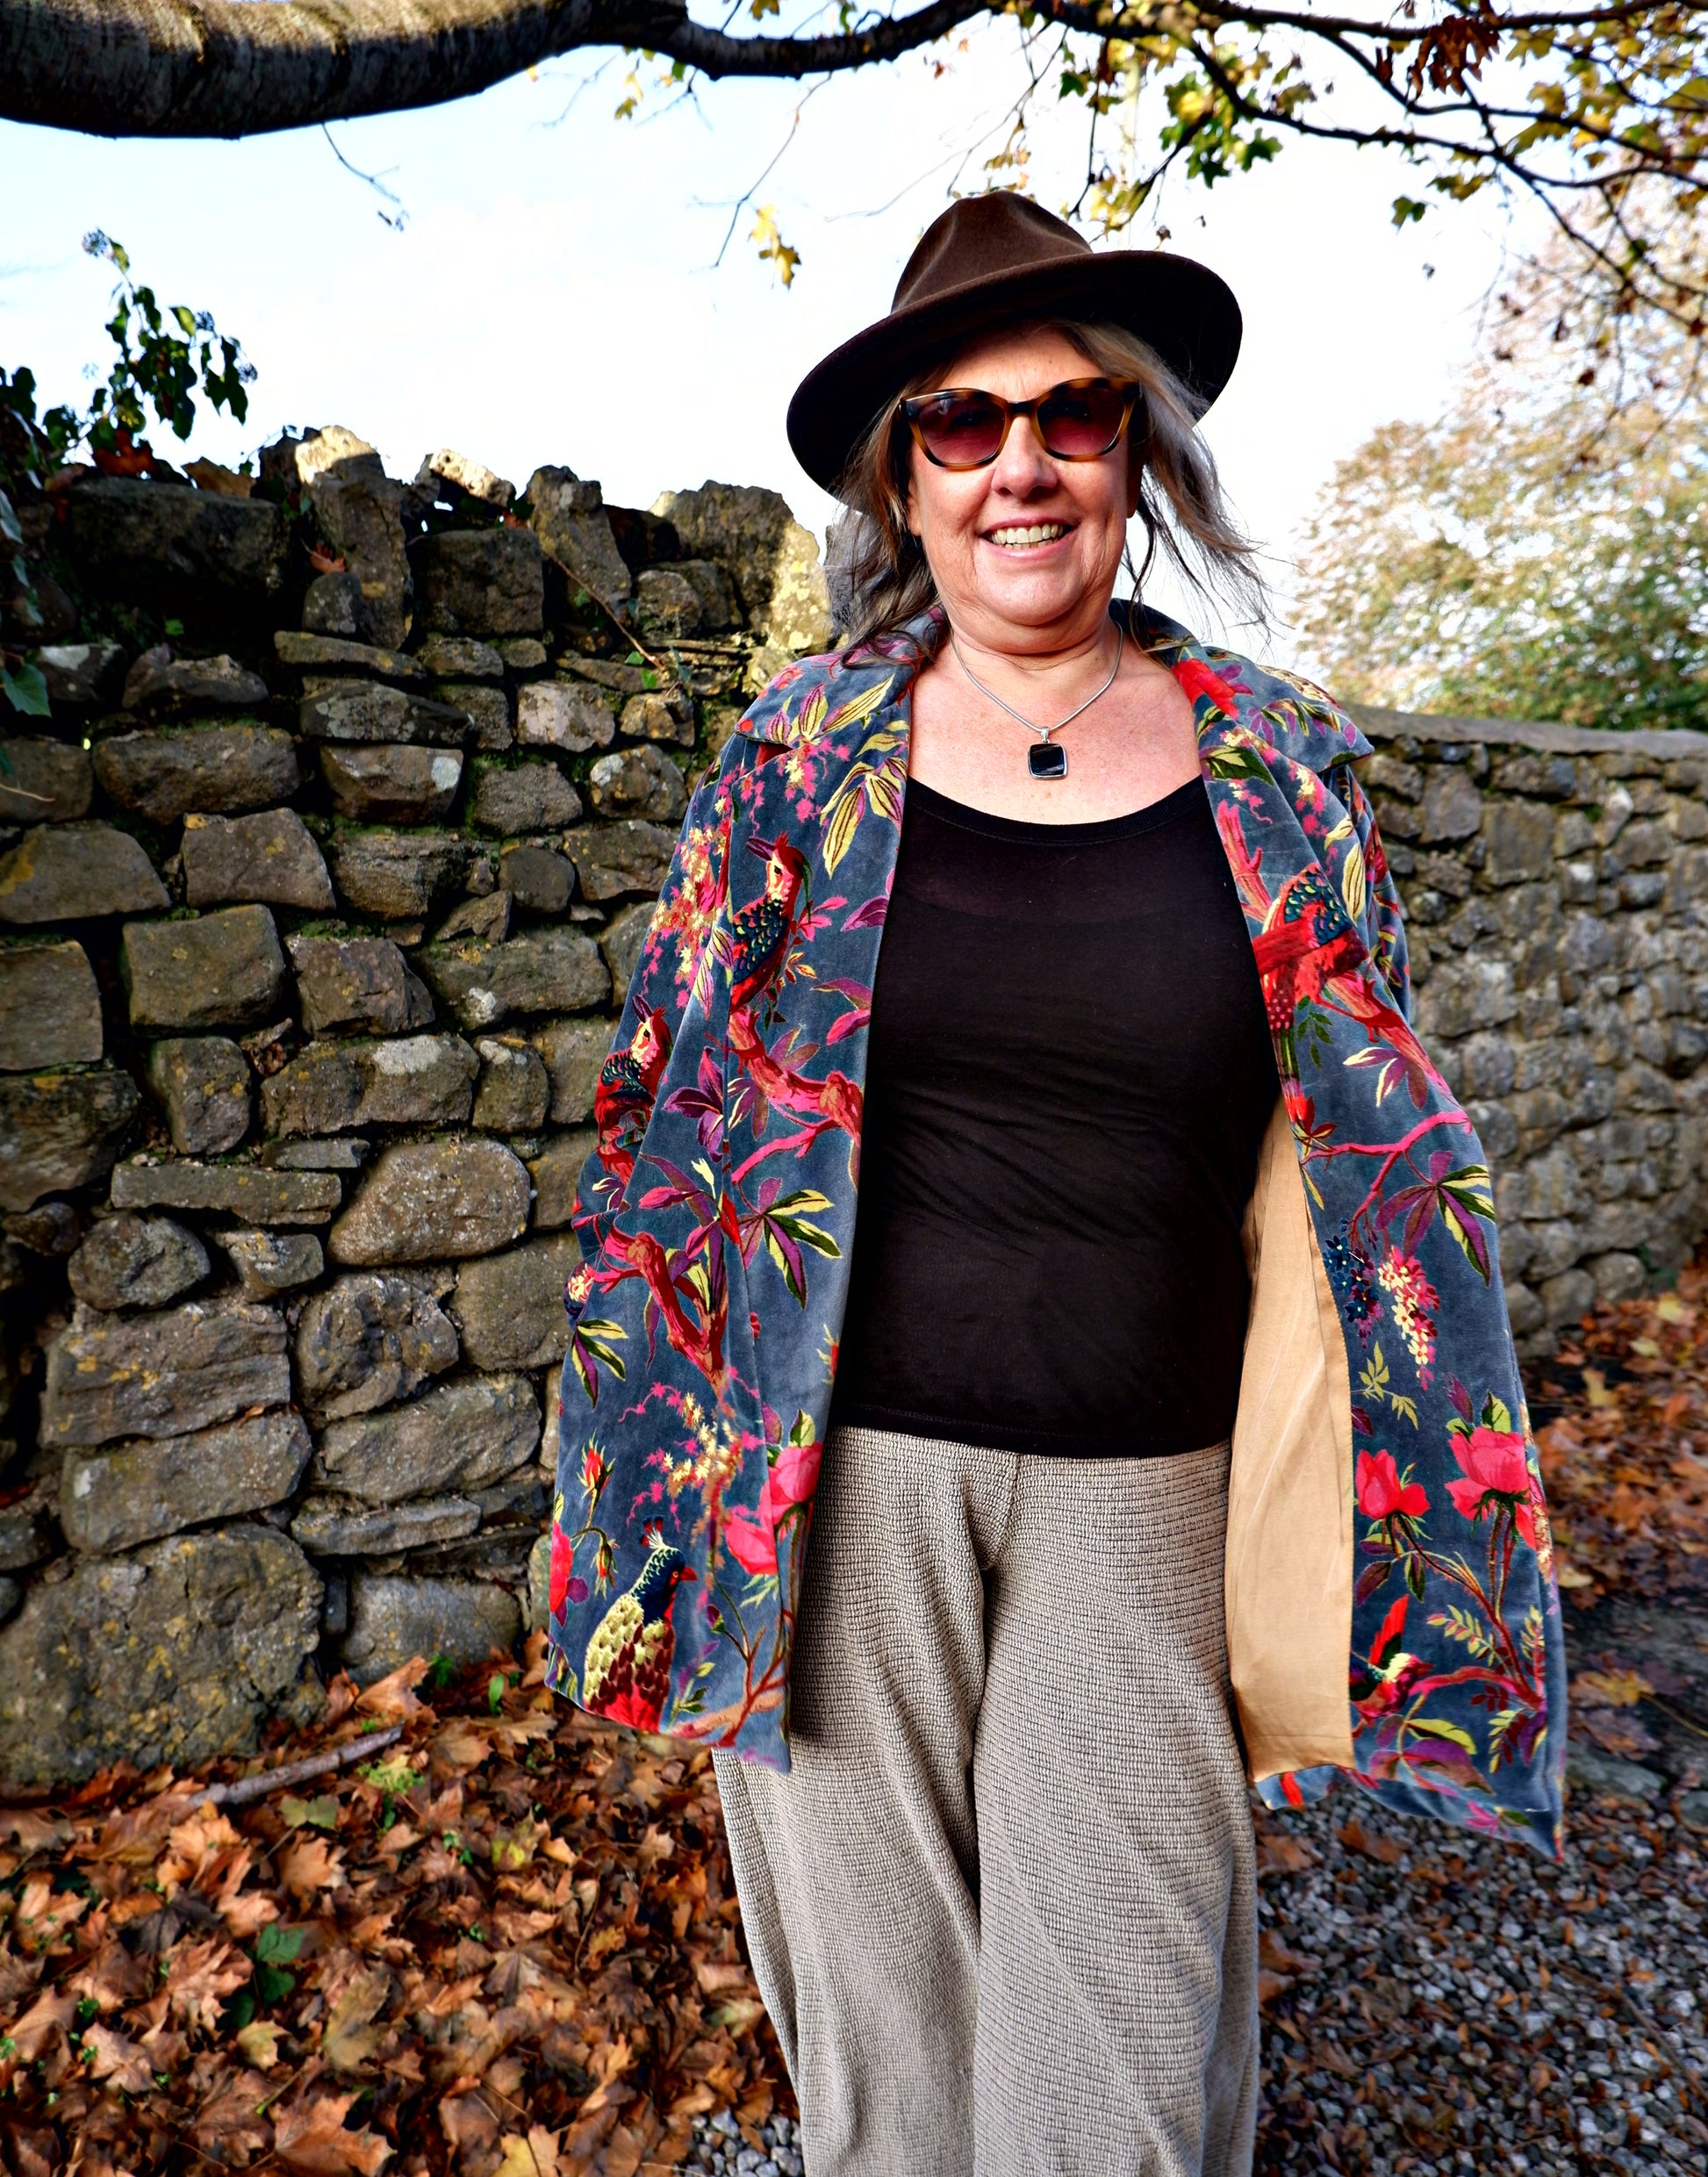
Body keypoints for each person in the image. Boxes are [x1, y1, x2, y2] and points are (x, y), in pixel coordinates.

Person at [545, 193, 1566, 2177]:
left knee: (1106, 2096)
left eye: (1073, 415)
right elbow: (659, 1150)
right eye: (961, 422)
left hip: (1146, 1496)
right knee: (895, 2101)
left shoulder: (1284, 767)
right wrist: (639, 1518)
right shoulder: (792, 763)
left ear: (1137, 457)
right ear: (902, 479)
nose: (1019, 462)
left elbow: (1367, 1164)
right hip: (831, 1504)